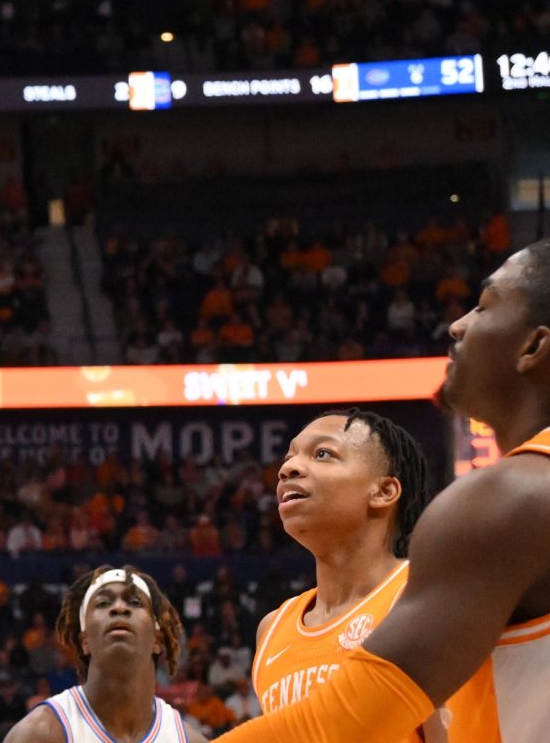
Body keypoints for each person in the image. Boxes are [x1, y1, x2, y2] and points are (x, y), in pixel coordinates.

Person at [218, 239, 550, 742]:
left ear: (533, 347)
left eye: (483, 306)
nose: (457, 325)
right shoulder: (274, 628)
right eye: (288, 457)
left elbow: (345, 722)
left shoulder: (508, 499)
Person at [251, 409, 437, 740]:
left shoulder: (419, 599)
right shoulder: (272, 629)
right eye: (289, 456)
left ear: (383, 492)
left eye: (323, 454)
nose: (286, 469)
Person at [3, 567, 207, 743]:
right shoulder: (39, 733)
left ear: (157, 640)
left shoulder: (188, 739)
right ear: (84, 641)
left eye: (135, 602)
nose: (119, 608)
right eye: (103, 603)